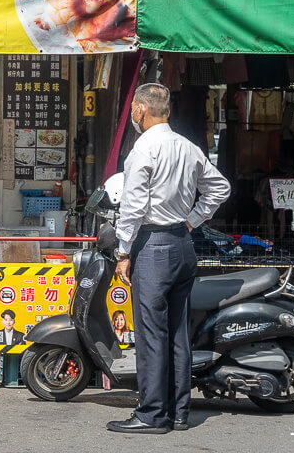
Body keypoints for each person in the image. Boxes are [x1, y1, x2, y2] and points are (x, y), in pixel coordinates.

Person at [107, 83, 230, 435]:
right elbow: (221, 188)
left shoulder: (143, 150)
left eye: (133, 107)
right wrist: (192, 220)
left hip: (153, 246)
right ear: (169, 111)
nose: (132, 113)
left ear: (141, 110)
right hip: (181, 244)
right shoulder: (187, 147)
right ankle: (178, 413)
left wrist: (123, 252)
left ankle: (152, 414)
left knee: (151, 334)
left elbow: (132, 209)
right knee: (177, 333)